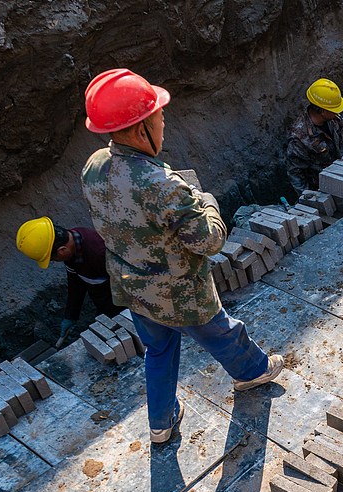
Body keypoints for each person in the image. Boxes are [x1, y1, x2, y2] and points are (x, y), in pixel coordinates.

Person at [80, 68, 283, 444]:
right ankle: (253, 371)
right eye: (159, 116)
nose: (163, 123)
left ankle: (160, 423)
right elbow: (209, 242)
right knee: (222, 332)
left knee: (158, 351)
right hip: (179, 292)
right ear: (141, 128)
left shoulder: (94, 166)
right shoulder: (162, 186)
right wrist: (204, 200)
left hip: (132, 287)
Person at [15, 217, 122, 345]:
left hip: (121, 301)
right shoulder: (72, 246)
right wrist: (71, 315)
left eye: (52, 259)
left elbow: (129, 287)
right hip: (105, 301)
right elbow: (76, 283)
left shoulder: (100, 253)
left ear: (62, 251)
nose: (53, 262)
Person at [285, 78, 343, 192]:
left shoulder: (333, 119)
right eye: (334, 110)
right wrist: (311, 201)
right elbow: (296, 175)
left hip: (340, 176)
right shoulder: (299, 138)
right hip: (320, 187)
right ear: (323, 111)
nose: (337, 112)